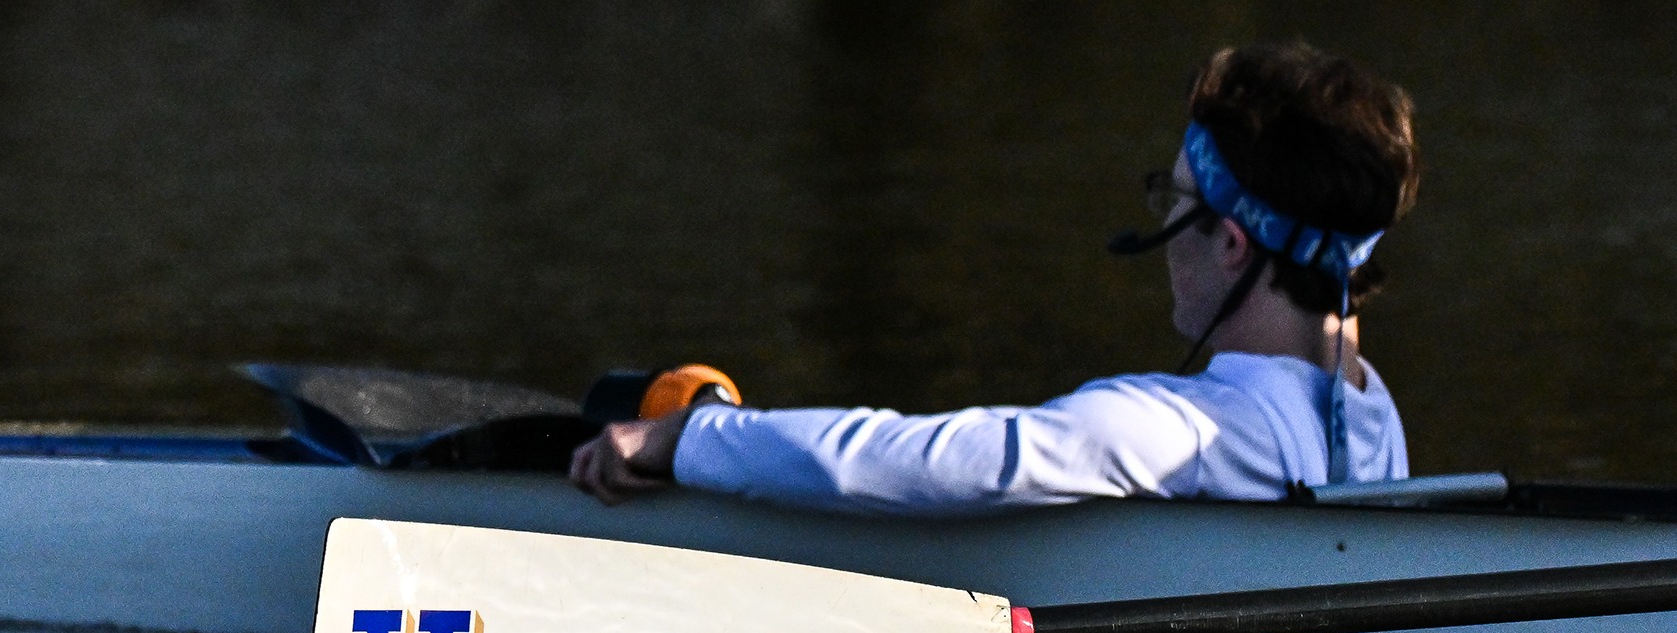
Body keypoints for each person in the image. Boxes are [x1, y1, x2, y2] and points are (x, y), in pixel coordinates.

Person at [569, 42, 1421, 512]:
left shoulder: (1184, 431)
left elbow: (931, 462)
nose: (1163, 231)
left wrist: (699, 436)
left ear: (1232, 245)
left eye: (1176, 200)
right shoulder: (1378, 424)